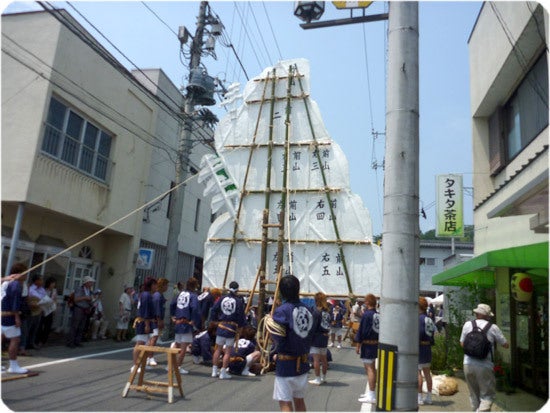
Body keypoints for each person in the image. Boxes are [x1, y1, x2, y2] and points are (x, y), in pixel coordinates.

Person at [270, 275, 314, 412]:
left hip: (286, 363)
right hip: (303, 362)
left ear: (281, 292)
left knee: (285, 403)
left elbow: (276, 337)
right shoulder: (308, 309)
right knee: (299, 401)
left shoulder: (282, 311)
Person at [460, 303, 509, 412]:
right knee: (487, 396)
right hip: (484, 365)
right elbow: (505, 344)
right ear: (487, 316)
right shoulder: (493, 327)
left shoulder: (468, 325)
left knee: (473, 395)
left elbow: (462, 343)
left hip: (467, 363)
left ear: (476, 313)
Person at [210, 281, 246, 379]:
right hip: (231, 328)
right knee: (228, 351)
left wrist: (215, 320)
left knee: (218, 349)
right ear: (237, 289)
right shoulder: (238, 301)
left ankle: (214, 371)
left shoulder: (222, 298)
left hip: (221, 326)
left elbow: (214, 309)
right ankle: (222, 372)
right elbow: (241, 316)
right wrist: (240, 327)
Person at [1, 263, 29, 373]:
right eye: (25, 273)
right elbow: (15, 302)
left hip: (2, 313)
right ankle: (13, 365)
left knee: (1, 337)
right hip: (9, 315)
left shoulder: (5, 282)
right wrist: (17, 317)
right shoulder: (15, 284)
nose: (26, 275)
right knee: (15, 339)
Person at [170, 277, 201, 374]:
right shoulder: (193, 296)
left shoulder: (180, 294)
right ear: (195, 286)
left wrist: (173, 315)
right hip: (187, 322)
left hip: (178, 321)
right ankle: (177, 367)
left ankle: (170, 365)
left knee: (176, 343)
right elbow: (195, 308)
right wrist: (193, 320)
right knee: (183, 347)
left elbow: (172, 304)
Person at [356, 293, 379, 404]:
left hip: (368, 344)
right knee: (372, 368)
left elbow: (362, 331)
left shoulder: (367, 315)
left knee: (369, 369)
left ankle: (371, 394)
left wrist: (358, 344)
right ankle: (371, 392)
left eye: (365, 301)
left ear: (368, 302)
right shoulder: (377, 314)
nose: (364, 303)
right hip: (375, 343)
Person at [131, 277, 157, 372]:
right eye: (155, 285)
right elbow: (145, 311)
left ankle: (142, 363)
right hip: (143, 322)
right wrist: (147, 324)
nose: (156, 287)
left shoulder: (145, 294)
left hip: (145, 321)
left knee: (145, 343)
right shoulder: (146, 295)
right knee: (140, 343)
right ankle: (135, 365)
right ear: (151, 285)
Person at [66, 275, 95, 348]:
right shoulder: (79, 289)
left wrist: (92, 301)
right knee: (75, 326)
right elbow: (76, 299)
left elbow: (90, 300)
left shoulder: (90, 291)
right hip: (78, 308)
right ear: (86, 282)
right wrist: (85, 297)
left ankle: (77, 341)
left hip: (85, 309)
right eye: (90, 282)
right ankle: (70, 342)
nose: (92, 284)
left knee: (81, 327)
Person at [308, 292, 330, 385]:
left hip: (317, 336)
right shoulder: (327, 312)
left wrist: (309, 337)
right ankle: (323, 377)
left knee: (316, 359)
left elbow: (313, 327)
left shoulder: (316, 312)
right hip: (325, 336)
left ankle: (317, 378)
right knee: (324, 359)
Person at [418, 297, 436, 405]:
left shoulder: (419, 319)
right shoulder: (429, 318)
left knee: (418, 372)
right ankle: (429, 397)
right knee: (427, 373)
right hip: (428, 347)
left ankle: (419, 397)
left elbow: (418, 333)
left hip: (420, 347)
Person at [147, 277, 168, 366]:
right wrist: (159, 320)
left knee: (153, 338)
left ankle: (149, 356)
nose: (167, 287)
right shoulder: (157, 295)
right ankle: (150, 357)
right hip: (155, 320)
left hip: (155, 319)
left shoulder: (158, 295)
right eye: (166, 285)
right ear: (162, 285)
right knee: (154, 337)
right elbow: (157, 309)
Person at [36, 276, 57, 347]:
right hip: (43, 309)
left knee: (48, 326)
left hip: (50, 310)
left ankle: (43, 341)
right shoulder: (44, 290)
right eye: (52, 283)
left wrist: (54, 309)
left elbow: (55, 300)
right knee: (40, 326)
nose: (53, 285)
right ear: (49, 283)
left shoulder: (54, 291)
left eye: (54, 283)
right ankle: (38, 340)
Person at [27, 274, 46, 350]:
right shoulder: (30, 289)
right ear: (36, 281)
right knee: (29, 327)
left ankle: (32, 343)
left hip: (39, 311)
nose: (42, 281)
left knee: (35, 328)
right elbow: (28, 300)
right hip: (31, 311)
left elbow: (45, 298)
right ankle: (25, 344)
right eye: (41, 280)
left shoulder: (42, 290)